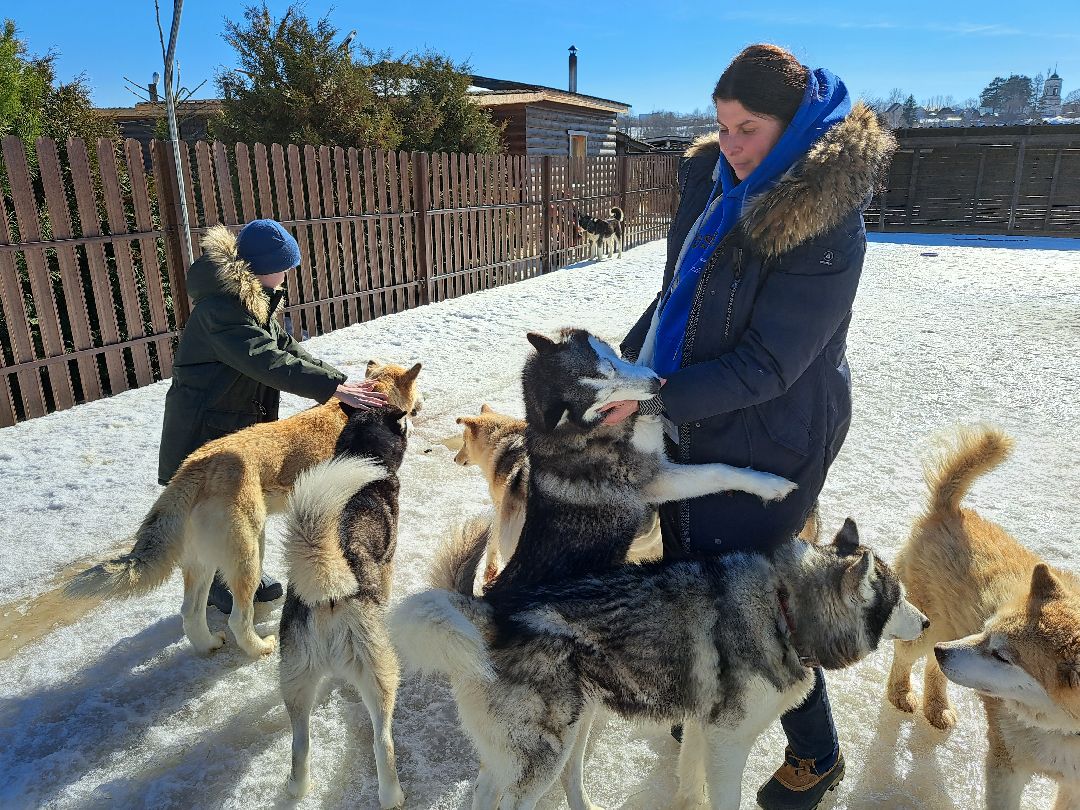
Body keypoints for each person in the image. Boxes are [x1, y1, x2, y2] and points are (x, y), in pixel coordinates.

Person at [603, 44, 895, 810]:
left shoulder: (827, 220)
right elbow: (677, 294)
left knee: (765, 595)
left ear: (794, 126)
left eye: (749, 129)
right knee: (694, 563)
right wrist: (627, 361)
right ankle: (706, 696)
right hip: (689, 402)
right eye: (722, 125)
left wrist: (655, 399)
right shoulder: (710, 178)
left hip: (775, 425)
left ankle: (817, 754)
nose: (729, 145)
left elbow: (770, 364)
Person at [158, 219, 387, 614]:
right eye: (284, 266)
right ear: (262, 266)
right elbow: (265, 360)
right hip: (205, 422)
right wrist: (332, 389)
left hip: (236, 419)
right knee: (211, 504)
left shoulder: (254, 298)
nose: (288, 276)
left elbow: (286, 347)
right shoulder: (221, 309)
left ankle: (237, 569)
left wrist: (339, 383)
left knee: (241, 501)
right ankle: (217, 583)